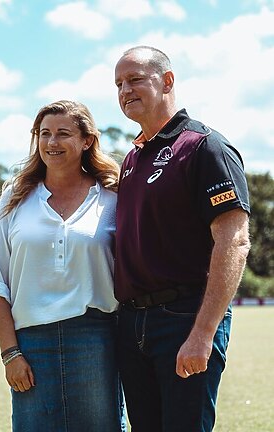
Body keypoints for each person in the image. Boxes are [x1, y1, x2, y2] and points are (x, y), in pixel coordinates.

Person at [114, 45, 251, 431]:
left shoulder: (204, 147)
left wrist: (202, 333)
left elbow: (234, 241)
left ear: (168, 81)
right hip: (132, 322)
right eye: (119, 84)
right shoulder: (132, 157)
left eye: (136, 79)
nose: (125, 90)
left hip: (183, 319)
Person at [0, 100, 126, 432]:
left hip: (96, 339)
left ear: (87, 140)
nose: (52, 143)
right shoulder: (15, 196)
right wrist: (10, 354)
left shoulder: (114, 196)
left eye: (63, 133)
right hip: (30, 344)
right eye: (44, 134)